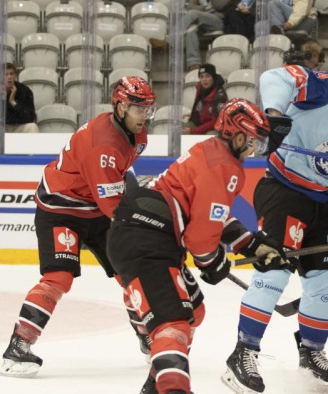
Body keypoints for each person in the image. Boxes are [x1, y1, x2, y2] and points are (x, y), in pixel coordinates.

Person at [222, 65, 328, 393]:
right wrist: (274, 117)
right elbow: (274, 78)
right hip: (283, 190)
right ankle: (242, 353)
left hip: (318, 203)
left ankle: (312, 354)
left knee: (324, 282)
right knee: (274, 272)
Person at [108, 99, 290, 394]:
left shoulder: (213, 152)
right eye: (254, 140)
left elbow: (209, 215)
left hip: (147, 234)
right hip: (146, 239)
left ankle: (157, 386)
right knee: (174, 324)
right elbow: (200, 239)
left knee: (194, 310)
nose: (256, 148)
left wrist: (253, 245)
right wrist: (213, 262)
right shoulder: (225, 167)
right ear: (240, 137)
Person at [0, 77, 156, 377]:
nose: (145, 116)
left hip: (95, 207)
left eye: (147, 109)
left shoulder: (133, 133)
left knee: (131, 272)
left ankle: (146, 337)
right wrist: (144, 223)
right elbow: (113, 205)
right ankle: (18, 347)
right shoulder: (103, 146)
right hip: (61, 211)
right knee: (58, 278)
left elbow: (121, 176)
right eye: (139, 109)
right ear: (120, 107)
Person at [163, 0, 232, 71]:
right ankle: (194, 63)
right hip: (202, 21)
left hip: (218, 21)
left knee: (193, 14)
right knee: (191, 29)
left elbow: (219, 5)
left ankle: (170, 40)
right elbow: (190, 6)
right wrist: (204, 8)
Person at [183, 64, 228, 135]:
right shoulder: (200, 88)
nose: (204, 79)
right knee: (182, 129)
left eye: (207, 76)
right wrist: (194, 114)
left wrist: (193, 131)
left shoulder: (220, 96)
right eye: (201, 76)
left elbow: (215, 122)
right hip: (202, 122)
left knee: (210, 136)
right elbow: (202, 106)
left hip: (215, 127)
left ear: (213, 77)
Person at [4, 63, 38, 133]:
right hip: (2, 127)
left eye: (11, 74)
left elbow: (31, 117)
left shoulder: (24, 90)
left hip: (19, 126)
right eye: (6, 74)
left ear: (15, 76)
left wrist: (13, 103)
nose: (9, 77)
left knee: (32, 127)